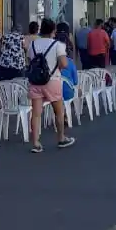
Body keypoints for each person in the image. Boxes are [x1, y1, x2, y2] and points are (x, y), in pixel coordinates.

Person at [27, 18, 74, 152]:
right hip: (52, 81)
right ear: (53, 30)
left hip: (35, 81)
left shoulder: (33, 45)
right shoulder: (58, 45)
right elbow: (64, 64)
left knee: (36, 113)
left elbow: (30, 61)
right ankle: (61, 137)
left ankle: (36, 143)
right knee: (58, 112)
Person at [55, 23, 80, 104]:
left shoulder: (55, 37)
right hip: (67, 59)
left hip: (57, 59)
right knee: (69, 75)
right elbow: (72, 46)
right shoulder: (69, 35)